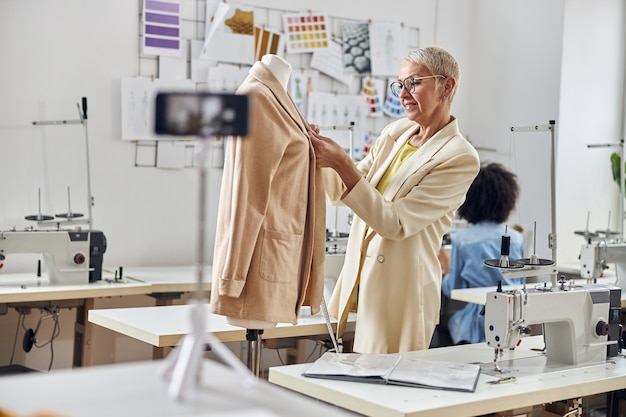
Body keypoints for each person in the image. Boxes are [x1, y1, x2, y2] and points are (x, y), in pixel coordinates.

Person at [308, 46, 480, 354]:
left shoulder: (460, 156)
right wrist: (317, 154)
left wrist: (341, 162)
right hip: (364, 284)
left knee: (387, 389)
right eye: (400, 85)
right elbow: (341, 191)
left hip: (404, 291)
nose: (403, 93)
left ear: (447, 86)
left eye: (413, 83)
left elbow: (395, 223)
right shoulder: (396, 133)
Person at [210, 54, 326, 330]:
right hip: (256, 266)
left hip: (279, 254)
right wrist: (232, 276)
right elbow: (247, 192)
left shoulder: (278, 97)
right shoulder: (257, 98)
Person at [440, 162, 525, 345]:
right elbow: (520, 282)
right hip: (513, 319)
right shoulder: (516, 238)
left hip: (478, 321)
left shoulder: (462, 240)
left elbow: (454, 289)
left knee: (440, 326)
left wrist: (446, 266)